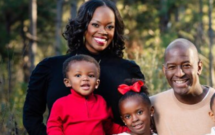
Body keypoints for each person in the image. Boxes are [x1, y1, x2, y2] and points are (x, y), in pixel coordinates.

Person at [23, 0, 144, 134]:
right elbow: (31, 117)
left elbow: (143, 113)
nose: (103, 31)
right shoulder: (49, 67)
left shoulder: (128, 69)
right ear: (83, 25)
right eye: (95, 24)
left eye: (110, 27)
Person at [47, 55, 129, 135]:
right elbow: (53, 126)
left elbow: (108, 127)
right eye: (78, 75)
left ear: (97, 83)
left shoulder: (101, 101)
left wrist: (129, 131)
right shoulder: (61, 104)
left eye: (90, 75)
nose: (85, 79)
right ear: (67, 82)